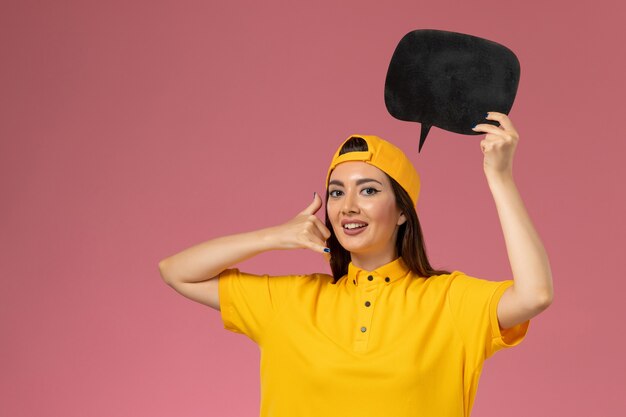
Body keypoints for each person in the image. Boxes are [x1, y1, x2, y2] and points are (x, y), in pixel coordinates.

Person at [158, 111, 553, 417]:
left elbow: (534, 294)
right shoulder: (291, 300)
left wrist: (500, 178)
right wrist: (273, 236)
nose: (348, 206)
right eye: (336, 191)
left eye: (368, 190)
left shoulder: (449, 301)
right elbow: (176, 271)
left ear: (402, 211)